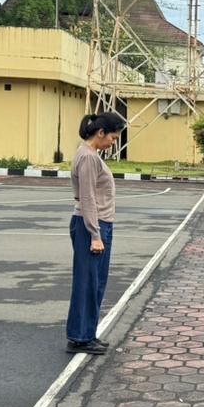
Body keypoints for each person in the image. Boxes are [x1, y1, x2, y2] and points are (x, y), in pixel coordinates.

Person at [66, 111, 126, 354]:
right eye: (113, 138)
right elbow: (88, 197)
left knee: (96, 283)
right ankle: (79, 337)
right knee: (87, 283)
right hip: (91, 225)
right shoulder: (89, 157)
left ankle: (87, 334)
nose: (113, 143)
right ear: (101, 132)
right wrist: (95, 234)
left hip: (98, 223)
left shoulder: (89, 155)